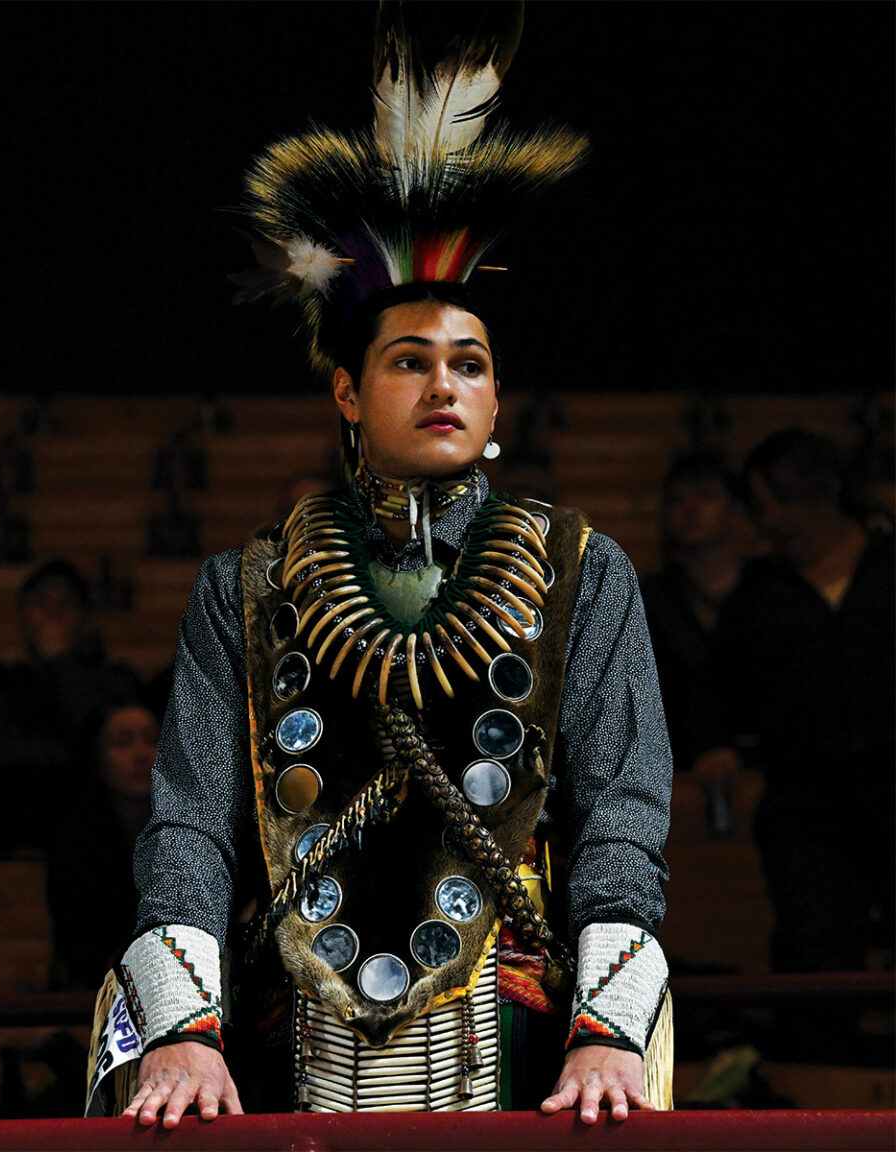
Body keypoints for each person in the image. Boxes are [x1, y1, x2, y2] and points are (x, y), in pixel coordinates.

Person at [97, 4, 672, 1127]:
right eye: (410, 361)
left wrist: (607, 1033)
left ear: (498, 400)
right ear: (350, 396)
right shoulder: (249, 585)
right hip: (281, 1030)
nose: (444, 384)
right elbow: (190, 825)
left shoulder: (581, 574)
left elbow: (626, 816)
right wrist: (183, 1034)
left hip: (512, 1029)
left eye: (471, 363)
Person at [693, 429, 894, 977]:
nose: (773, 522)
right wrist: (714, 744)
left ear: (825, 491)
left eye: (783, 502)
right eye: (761, 509)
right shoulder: (761, 593)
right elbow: (715, 689)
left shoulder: (887, 565)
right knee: (815, 952)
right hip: (807, 808)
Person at [0, 559, 140, 857]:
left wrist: (61, 662)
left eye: (66, 605)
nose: (52, 615)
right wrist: (67, 755)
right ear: (21, 617)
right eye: (40, 604)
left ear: (85, 619)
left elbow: (104, 741)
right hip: (14, 810)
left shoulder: (114, 681)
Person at [639, 454, 746, 777]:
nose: (690, 509)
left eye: (706, 496)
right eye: (676, 500)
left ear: (735, 508)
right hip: (674, 771)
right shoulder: (651, 597)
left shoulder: (770, 591)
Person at [46, 699, 160, 989]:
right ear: (98, 760)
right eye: (123, 743)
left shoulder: (194, 828)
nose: (141, 754)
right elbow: (79, 943)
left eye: (152, 740)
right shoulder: (76, 840)